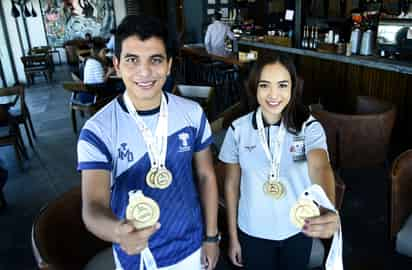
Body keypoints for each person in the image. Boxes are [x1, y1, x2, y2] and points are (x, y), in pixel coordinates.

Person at [77, 15, 219, 270]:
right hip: (139, 255)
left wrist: (211, 236)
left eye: (155, 60)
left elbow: (207, 176)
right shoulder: (98, 130)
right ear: (117, 65)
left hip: (193, 246)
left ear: (168, 65)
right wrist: (119, 233)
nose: (144, 72)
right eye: (133, 60)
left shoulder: (192, 113)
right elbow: (93, 205)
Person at [219, 54, 340, 269]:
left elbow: (320, 167)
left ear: (293, 88)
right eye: (265, 85)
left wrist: (328, 208)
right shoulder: (238, 129)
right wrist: (233, 236)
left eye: (282, 85)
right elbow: (231, 185)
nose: (274, 95)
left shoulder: (308, 127)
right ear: (254, 87)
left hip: (297, 228)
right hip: (252, 230)